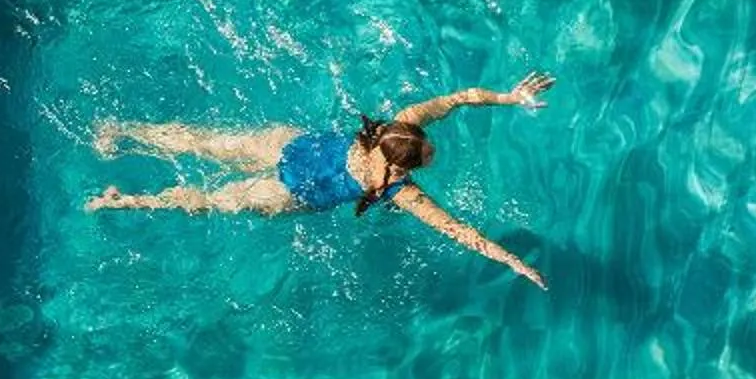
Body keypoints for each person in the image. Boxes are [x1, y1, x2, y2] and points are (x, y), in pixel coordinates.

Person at [86, 73, 556, 288]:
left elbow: (459, 98)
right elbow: (459, 231)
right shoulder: (400, 191)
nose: (432, 150)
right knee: (208, 200)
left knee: (201, 142)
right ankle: (120, 201)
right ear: (402, 164)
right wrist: (512, 261)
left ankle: (120, 132)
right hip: (291, 192)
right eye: (426, 153)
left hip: (289, 147)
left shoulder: (400, 123)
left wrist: (510, 98)